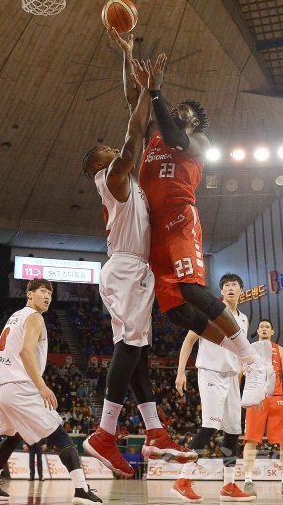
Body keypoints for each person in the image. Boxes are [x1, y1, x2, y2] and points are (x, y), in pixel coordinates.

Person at [127, 48, 274, 408]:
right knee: (176, 312)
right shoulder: (154, 132)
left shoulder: (199, 143)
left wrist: (157, 92)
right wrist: (127, 57)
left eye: (183, 111)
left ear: (193, 122)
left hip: (179, 219)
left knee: (192, 289)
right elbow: (133, 99)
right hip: (155, 229)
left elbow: (174, 136)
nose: (176, 111)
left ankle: (253, 362)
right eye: (174, 108)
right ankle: (244, 356)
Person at [82, 58, 197, 478]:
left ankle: (154, 431)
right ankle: (104, 433)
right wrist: (149, 92)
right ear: (99, 166)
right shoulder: (110, 179)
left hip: (132, 271)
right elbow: (133, 137)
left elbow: (135, 109)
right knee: (130, 348)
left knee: (137, 352)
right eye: (109, 153)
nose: (117, 152)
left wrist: (129, 58)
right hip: (126, 269)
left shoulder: (126, 183)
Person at [0, 279, 102, 504]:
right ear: (29, 294)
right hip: (17, 388)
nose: (47, 297)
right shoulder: (35, 317)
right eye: (43, 291)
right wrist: (42, 386)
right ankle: (81, 489)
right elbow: (25, 352)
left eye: (50, 294)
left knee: (14, 435)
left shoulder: (15, 316)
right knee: (59, 433)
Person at [173, 273, 255, 502]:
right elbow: (189, 340)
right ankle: (182, 480)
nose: (230, 288)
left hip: (231, 377)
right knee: (210, 426)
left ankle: (229, 485)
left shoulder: (244, 319)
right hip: (210, 372)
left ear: (241, 291)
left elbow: (240, 351)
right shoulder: (211, 312)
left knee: (233, 431)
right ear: (221, 291)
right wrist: (180, 372)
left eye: (234, 285)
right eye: (226, 285)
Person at [243, 319, 283, 497]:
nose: (264, 329)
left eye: (267, 327)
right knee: (250, 440)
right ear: (257, 331)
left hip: (277, 398)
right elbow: (240, 372)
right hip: (256, 399)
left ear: (272, 332)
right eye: (261, 327)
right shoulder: (249, 349)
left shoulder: (279, 349)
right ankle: (248, 480)